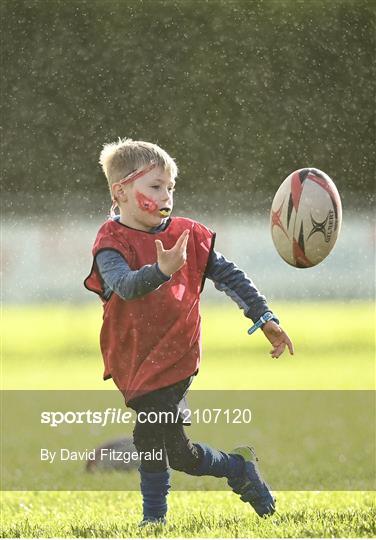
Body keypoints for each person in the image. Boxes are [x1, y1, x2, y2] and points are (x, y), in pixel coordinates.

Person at [84, 138, 294, 525]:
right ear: (121, 192)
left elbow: (229, 276)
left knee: (148, 438)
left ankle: (153, 521)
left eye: (170, 187)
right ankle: (238, 468)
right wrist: (160, 271)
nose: (166, 195)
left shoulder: (188, 235)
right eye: (155, 187)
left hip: (176, 357)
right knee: (178, 453)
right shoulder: (110, 244)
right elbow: (126, 286)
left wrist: (263, 316)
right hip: (133, 359)